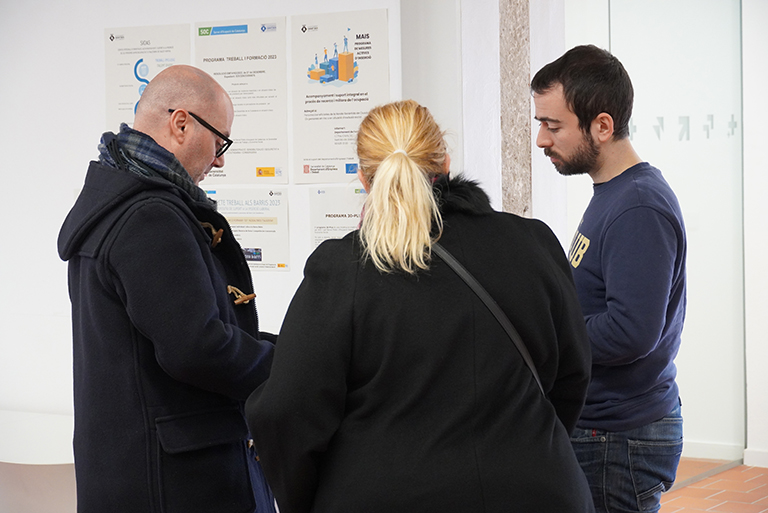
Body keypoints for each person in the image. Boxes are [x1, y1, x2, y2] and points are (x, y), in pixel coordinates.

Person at [245, 100, 595, 513]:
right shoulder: (535, 244)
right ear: (446, 162)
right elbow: (572, 377)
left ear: (363, 177)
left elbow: (286, 411)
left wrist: (310, 498)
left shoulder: (343, 269)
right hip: (542, 492)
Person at [57, 65, 276, 513]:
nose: (219, 160)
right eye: (220, 142)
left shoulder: (117, 204)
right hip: (176, 484)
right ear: (181, 124)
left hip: (136, 472)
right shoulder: (150, 217)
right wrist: (297, 365)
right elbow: (198, 347)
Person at [531, 45, 687, 513]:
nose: (541, 139)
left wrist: (545, 333)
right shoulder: (614, 194)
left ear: (602, 125)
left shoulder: (638, 206)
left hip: (618, 438)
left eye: (553, 126)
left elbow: (631, 330)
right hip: (606, 431)